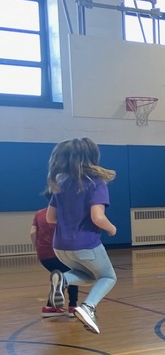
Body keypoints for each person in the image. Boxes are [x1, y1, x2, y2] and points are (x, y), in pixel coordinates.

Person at [45, 138, 118, 335]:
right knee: (108, 277)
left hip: (60, 247)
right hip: (86, 245)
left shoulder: (61, 183)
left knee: (88, 276)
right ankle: (88, 307)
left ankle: (63, 279)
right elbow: (97, 217)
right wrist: (112, 228)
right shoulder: (96, 183)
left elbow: (50, 218)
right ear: (92, 157)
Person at [31, 200, 79, 319]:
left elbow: (32, 232)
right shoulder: (64, 214)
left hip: (43, 254)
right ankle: (72, 307)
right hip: (60, 252)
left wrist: (37, 248)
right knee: (73, 275)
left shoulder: (39, 213)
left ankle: (50, 307)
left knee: (60, 278)